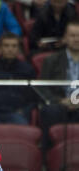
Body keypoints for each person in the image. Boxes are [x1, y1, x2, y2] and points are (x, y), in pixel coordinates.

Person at [39, 19, 79, 150]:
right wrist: (61, 101)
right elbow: (42, 88)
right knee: (49, 111)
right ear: (65, 38)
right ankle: (48, 158)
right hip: (60, 105)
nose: (76, 39)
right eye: (72, 35)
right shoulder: (52, 60)